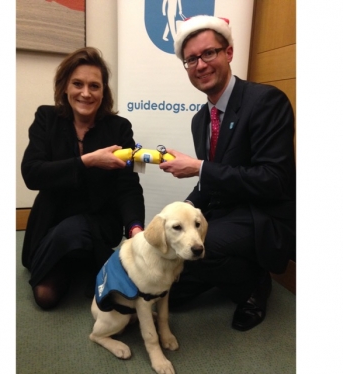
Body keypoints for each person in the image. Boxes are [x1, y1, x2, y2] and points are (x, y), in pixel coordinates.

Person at [159, 15, 296, 331]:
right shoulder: (200, 120)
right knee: (171, 285)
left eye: (209, 53)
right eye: (191, 59)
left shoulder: (265, 101)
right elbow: (209, 184)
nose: (201, 65)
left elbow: (273, 181)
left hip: (263, 216)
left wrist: (199, 168)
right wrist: (178, 212)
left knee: (199, 251)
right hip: (224, 213)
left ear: (229, 52)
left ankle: (254, 285)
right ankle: (232, 265)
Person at [21, 47, 145, 310]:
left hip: (100, 220)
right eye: (77, 84)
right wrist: (88, 161)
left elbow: (127, 185)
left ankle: (90, 261)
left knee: (77, 229)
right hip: (53, 220)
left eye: (94, 86)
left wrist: (135, 227)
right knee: (45, 296)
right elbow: (32, 173)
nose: (86, 93)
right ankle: (96, 266)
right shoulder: (47, 118)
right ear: (65, 87)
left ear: (104, 92)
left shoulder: (119, 128)